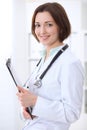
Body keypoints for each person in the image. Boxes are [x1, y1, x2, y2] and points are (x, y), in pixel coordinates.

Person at [16, 2, 84, 130]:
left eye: (49, 25)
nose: (41, 31)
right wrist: (25, 110)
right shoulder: (44, 58)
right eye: (37, 25)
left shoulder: (70, 63)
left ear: (61, 26)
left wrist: (35, 101)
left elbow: (72, 113)